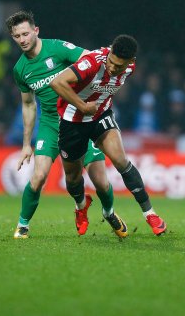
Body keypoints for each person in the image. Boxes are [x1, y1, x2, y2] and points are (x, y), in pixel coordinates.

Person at [6, 11, 114, 238]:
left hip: (79, 121)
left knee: (101, 181)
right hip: (51, 125)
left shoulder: (57, 48)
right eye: (17, 36)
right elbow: (28, 105)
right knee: (38, 177)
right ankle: (23, 225)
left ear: (36, 31)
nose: (22, 40)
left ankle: (109, 212)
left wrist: (97, 93)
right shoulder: (20, 70)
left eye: (26, 33)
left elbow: (90, 59)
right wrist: (27, 144)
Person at [50, 34, 167, 237]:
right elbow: (57, 82)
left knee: (121, 161)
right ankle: (81, 206)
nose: (113, 68)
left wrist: (94, 107)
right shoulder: (92, 62)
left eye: (119, 66)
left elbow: (106, 89)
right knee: (73, 177)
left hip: (100, 117)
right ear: (109, 51)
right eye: (112, 63)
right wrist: (82, 105)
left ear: (131, 62)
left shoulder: (130, 68)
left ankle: (150, 214)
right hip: (72, 121)